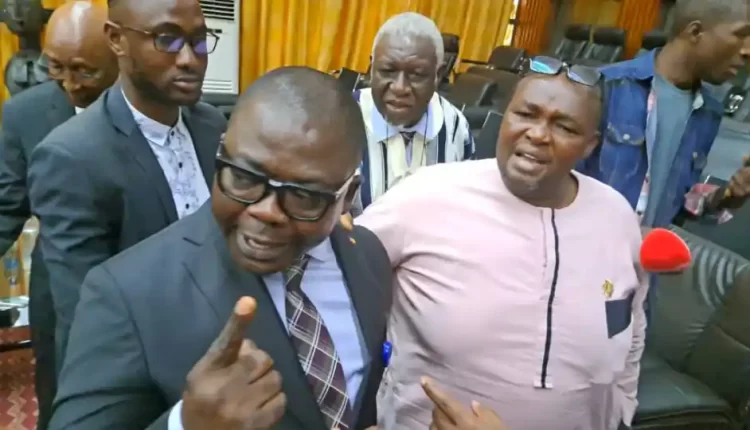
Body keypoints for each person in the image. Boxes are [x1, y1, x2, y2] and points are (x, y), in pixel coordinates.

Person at [48, 67, 392, 430]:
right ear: (221, 153)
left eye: (304, 196)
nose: (265, 211)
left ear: (348, 196)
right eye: (243, 177)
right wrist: (187, 425)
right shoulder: (126, 294)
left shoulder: (368, 256)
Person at [356, 57, 647, 430]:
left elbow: (631, 321)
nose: (538, 134)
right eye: (525, 114)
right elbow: (337, 276)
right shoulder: (425, 195)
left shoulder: (616, 216)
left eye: (564, 126)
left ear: (590, 145)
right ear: (505, 117)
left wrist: (623, 405)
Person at [28, 0, 226, 366]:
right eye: (167, 40)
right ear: (116, 40)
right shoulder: (73, 157)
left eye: (199, 40)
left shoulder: (212, 126)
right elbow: (89, 318)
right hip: (142, 369)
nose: (190, 59)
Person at [0, 2, 117, 427]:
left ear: (119, 55)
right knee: (60, 393)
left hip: (133, 283)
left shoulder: (146, 109)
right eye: (55, 67)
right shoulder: (23, 114)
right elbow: (6, 204)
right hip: (59, 291)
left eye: (85, 71)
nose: (69, 83)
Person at [576, 0, 750, 229]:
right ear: (695, 32)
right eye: (742, 34)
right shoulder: (602, 87)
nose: (747, 51)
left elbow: (679, 204)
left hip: (645, 250)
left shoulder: (709, 112)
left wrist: (729, 195)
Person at [354, 12, 474, 213]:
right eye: (387, 71)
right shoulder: (341, 120)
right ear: (372, 67)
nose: (400, 88)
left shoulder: (455, 127)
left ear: (438, 75)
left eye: (416, 75)